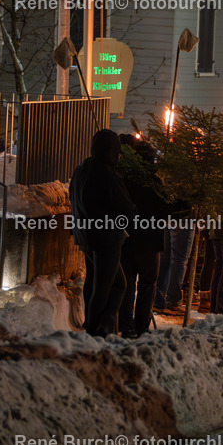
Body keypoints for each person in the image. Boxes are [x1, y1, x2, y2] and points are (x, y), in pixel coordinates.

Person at [69, 129, 135, 337]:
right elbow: (125, 208)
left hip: (87, 237)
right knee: (106, 287)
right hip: (106, 238)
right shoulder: (107, 174)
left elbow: (73, 198)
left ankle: (101, 324)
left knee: (110, 284)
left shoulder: (82, 169)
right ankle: (95, 330)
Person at [116, 135, 174, 336]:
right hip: (149, 242)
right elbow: (164, 210)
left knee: (128, 283)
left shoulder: (124, 180)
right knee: (147, 283)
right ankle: (141, 325)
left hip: (128, 239)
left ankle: (126, 325)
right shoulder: (153, 183)